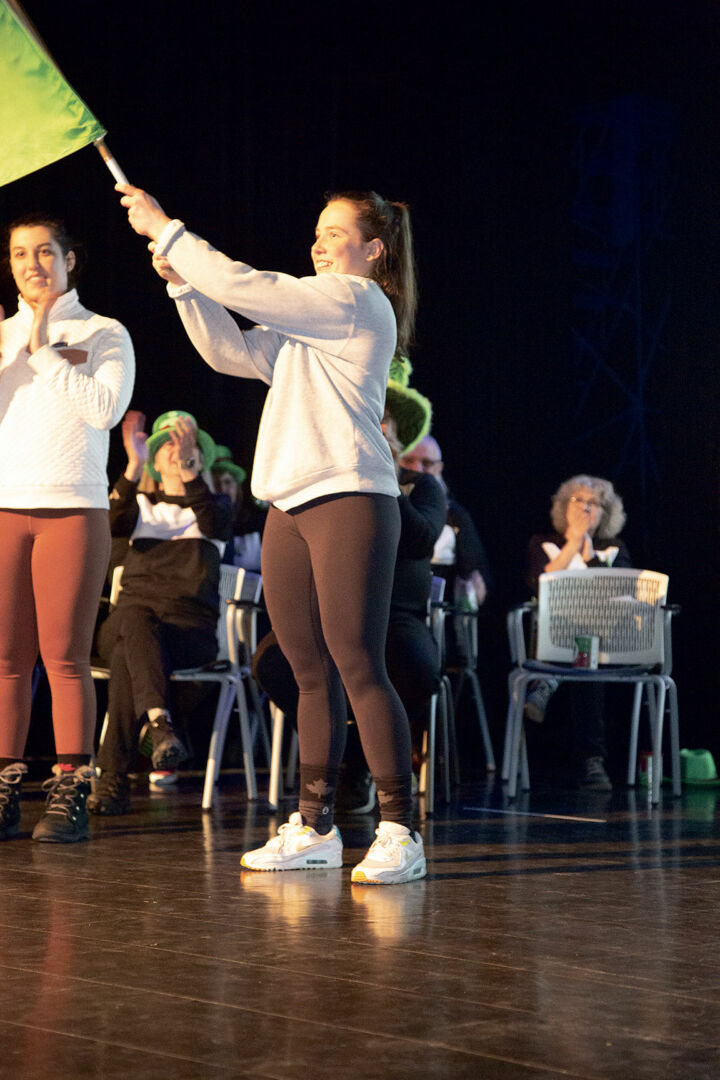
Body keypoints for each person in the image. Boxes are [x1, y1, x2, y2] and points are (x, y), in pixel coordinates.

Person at [119, 183, 425, 884]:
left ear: (373, 250)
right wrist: (183, 289)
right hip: (288, 502)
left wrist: (169, 232)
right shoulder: (304, 330)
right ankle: (314, 826)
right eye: (315, 232)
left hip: (349, 496)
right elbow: (229, 351)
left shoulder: (357, 302)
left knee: (357, 662)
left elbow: (249, 287)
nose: (319, 243)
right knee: (306, 670)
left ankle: (400, 828)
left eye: (335, 233)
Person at [254, 362, 445, 808]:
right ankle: (341, 755)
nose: (373, 423)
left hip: (397, 614)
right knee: (274, 659)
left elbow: (419, 541)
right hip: (333, 610)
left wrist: (382, 479)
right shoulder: (324, 488)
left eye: (382, 418)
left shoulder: (421, 486)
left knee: (413, 665)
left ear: (394, 432)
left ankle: (370, 776)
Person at [0, 214, 135, 842]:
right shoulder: (0, 337)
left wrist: (43, 354)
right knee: (5, 662)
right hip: (5, 509)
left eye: (45, 251)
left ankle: (69, 791)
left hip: (73, 511)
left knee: (64, 658)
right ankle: (4, 787)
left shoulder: (104, 331)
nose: (32, 263)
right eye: (20, 254)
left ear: (70, 259)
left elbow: (105, 409)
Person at [87, 410, 232, 815]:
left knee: (127, 655)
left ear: (199, 460)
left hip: (188, 631)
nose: (174, 450)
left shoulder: (212, 506)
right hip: (127, 623)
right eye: (165, 444)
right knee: (133, 618)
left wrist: (188, 471)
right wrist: (132, 467)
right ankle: (159, 724)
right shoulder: (139, 504)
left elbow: (218, 523)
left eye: (184, 446)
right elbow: (111, 522)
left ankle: (115, 780)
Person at [525, 474, 632, 790]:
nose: (586, 508)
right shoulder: (542, 544)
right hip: (551, 638)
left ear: (606, 512)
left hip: (609, 641)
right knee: (586, 661)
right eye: (579, 500)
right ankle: (592, 763)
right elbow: (539, 586)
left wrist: (588, 555)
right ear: (563, 506)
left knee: (589, 654)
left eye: (594, 503)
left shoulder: (614, 548)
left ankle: (548, 681)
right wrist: (572, 544)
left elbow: (621, 591)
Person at [211, 446, 264, 573]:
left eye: (228, 482)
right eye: (215, 483)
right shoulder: (199, 526)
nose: (222, 489)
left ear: (237, 487)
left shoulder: (256, 522)